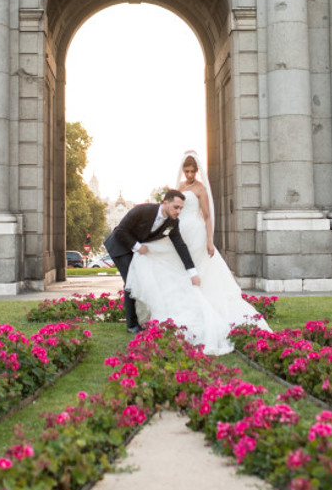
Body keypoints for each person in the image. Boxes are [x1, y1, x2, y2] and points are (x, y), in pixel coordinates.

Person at [125, 152, 270, 355]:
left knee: (195, 266)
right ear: (183, 171)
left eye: (193, 171)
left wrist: (210, 240)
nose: (190, 174)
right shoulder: (179, 188)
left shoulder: (201, 189)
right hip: (178, 229)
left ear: (197, 171)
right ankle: (177, 301)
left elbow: (208, 217)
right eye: (187, 171)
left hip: (196, 232)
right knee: (167, 260)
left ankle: (199, 297)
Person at [104, 189, 199, 335]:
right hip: (120, 246)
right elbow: (120, 231)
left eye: (181, 208)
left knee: (143, 281)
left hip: (137, 250)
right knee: (131, 281)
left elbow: (180, 245)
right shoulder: (142, 210)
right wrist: (137, 246)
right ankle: (132, 325)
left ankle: (145, 320)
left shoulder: (172, 222)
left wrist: (192, 272)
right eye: (176, 207)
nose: (179, 211)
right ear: (165, 203)